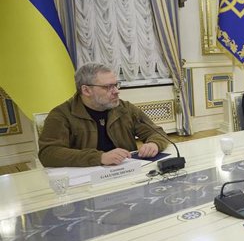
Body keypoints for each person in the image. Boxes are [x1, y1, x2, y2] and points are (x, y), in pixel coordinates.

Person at [38, 63, 168, 167]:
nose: (116, 91)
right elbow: (48, 153)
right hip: (86, 181)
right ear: (86, 90)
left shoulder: (125, 108)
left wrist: (154, 144)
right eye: (108, 87)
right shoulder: (61, 115)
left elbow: (157, 133)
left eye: (116, 85)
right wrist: (99, 157)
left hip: (127, 172)